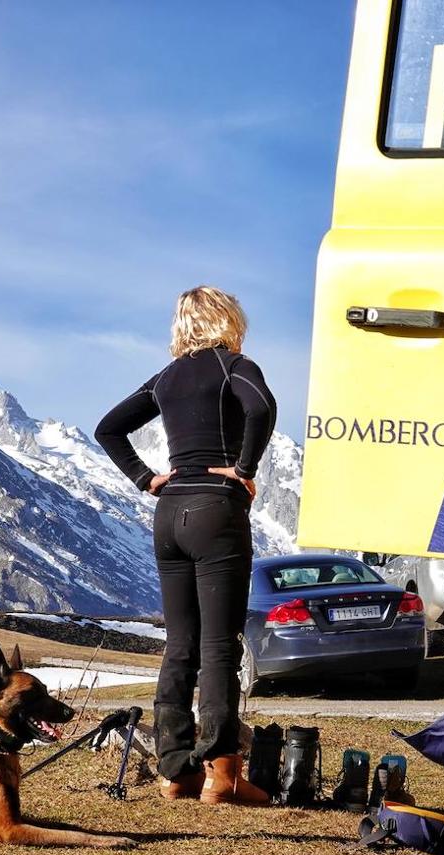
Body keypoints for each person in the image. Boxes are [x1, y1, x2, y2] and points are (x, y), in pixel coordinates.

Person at [95, 285, 276, 806]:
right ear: (228, 319)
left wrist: (144, 478)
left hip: (169, 512)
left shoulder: (166, 378)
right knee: (219, 645)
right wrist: (244, 469)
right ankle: (223, 776)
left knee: (180, 647)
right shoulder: (235, 365)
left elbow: (109, 428)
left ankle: (177, 772)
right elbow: (262, 409)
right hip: (217, 510)